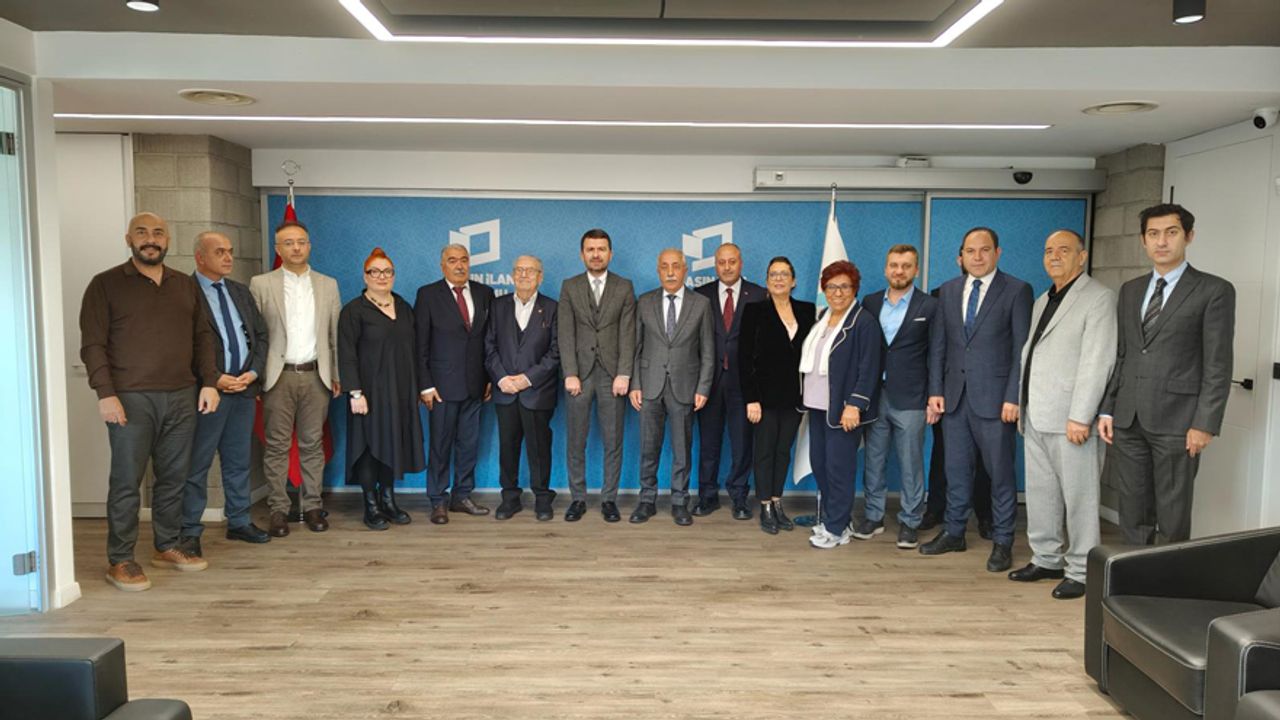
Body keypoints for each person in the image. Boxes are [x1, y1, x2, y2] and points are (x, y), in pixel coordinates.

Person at [80, 212, 220, 591]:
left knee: (173, 477)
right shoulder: (105, 284)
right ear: (129, 239)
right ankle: (121, 559)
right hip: (130, 398)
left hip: (182, 396)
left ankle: (167, 545)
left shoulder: (183, 285)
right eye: (142, 232)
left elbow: (203, 338)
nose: (151, 239)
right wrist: (105, 393)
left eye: (158, 233)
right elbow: (93, 345)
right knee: (127, 481)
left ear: (168, 240)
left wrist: (209, 383)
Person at [1099, 203, 1235, 545]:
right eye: (1153, 234)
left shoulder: (1213, 290)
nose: (1161, 242)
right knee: (1133, 510)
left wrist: (1205, 423)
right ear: (1143, 240)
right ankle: (1135, 572)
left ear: (1188, 236)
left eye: (1171, 233)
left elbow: (1218, 364)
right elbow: (1124, 354)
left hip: (1179, 422)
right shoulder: (1131, 290)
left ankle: (1169, 577)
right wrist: (1108, 409)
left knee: (1173, 514)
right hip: (1128, 419)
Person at [919, 227, 1032, 573]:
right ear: (961, 257)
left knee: (1000, 475)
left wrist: (1014, 396)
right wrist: (935, 391)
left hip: (997, 402)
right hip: (954, 399)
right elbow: (939, 346)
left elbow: (1022, 350)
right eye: (971, 251)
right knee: (955, 471)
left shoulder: (1016, 290)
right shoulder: (949, 290)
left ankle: (1003, 541)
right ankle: (954, 532)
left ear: (998, 253)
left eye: (984, 250)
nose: (978, 257)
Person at [1012, 230, 1116, 599]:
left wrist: (1081, 416)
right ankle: (1047, 558)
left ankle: (1082, 571)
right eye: (1049, 251)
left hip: (1072, 419)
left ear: (1082, 256)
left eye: (1064, 250)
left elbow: (1097, 361)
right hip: (1037, 413)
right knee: (1042, 494)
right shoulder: (1045, 299)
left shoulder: (1098, 298)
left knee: (1080, 498)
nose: (1054, 256)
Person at [179, 231, 271, 558]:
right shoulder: (184, 293)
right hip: (207, 395)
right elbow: (181, 346)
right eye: (219, 252)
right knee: (197, 464)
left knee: (238, 461)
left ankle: (239, 521)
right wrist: (214, 379)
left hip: (243, 391)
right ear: (200, 257)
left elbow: (261, 336)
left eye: (230, 251)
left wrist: (254, 373)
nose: (228, 257)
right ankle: (189, 531)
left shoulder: (239, 292)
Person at [250, 220, 342, 537]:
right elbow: (255, 336)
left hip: (316, 375)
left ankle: (313, 506)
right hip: (278, 376)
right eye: (288, 243)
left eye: (301, 241)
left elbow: (334, 335)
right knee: (276, 445)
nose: (296, 247)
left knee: (312, 444)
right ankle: (278, 509)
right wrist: (256, 377)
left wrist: (336, 374)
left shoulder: (328, 284)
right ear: (278, 248)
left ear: (309, 245)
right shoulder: (261, 284)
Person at [855, 244, 943, 549]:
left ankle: (910, 521)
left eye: (906, 266)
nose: (899, 271)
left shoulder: (929, 306)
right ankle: (873, 516)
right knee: (874, 459)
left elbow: (937, 353)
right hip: (875, 395)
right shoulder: (870, 302)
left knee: (910, 463)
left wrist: (935, 394)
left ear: (916, 270)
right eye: (894, 265)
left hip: (912, 397)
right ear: (886, 269)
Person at [338, 247, 424, 531]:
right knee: (369, 448)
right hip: (368, 394)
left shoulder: (404, 307)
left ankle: (388, 501)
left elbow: (414, 350)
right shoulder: (354, 311)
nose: (381, 276)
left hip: (400, 391)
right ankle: (371, 505)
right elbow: (347, 354)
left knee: (392, 445)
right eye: (375, 272)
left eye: (387, 271)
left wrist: (416, 388)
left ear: (394, 275)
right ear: (365, 276)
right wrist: (355, 392)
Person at [628, 249, 715, 526]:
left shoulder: (701, 304)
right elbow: (635, 347)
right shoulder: (645, 302)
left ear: (685, 270)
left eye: (676, 266)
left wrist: (703, 387)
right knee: (648, 447)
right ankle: (647, 500)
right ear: (658, 270)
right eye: (664, 266)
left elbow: (708, 351)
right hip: (649, 386)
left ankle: (680, 502)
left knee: (682, 449)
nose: (670, 272)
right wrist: (635, 383)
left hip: (685, 387)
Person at [800, 260, 882, 549]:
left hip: (842, 410)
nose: (837, 293)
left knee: (839, 470)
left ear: (854, 289)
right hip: (817, 406)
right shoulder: (823, 317)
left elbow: (869, 368)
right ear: (824, 289)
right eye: (832, 287)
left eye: (844, 287)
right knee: (820, 465)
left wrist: (855, 405)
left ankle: (836, 529)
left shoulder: (864, 322)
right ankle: (837, 520)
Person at [558, 229, 637, 523]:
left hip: (612, 376)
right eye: (590, 249)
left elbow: (629, 333)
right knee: (576, 440)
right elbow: (565, 333)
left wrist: (624, 373)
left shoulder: (624, 287)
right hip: (579, 376)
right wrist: (570, 373)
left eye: (601, 249)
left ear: (610, 254)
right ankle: (578, 498)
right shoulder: (570, 286)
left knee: (613, 441)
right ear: (582, 254)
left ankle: (609, 499)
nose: (596, 254)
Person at [416, 243, 495, 524]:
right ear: (442, 266)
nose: (459, 265)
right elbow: (420, 344)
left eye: (463, 260)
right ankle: (438, 500)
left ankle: (461, 496)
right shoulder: (428, 295)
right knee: (440, 446)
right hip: (441, 388)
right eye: (452, 260)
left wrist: (489, 378)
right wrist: (425, 385)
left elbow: (489, 341)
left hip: (476, 386)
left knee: (468, 445)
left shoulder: (485, 293)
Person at [739, 256, 816, 534]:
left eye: (784, 274)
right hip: (764, 399)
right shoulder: (754, 311)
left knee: (783, 452)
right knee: (764, 452)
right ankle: (765, 506)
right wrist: (751, 399)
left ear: (793, 281)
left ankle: (777, 500)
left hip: (794, 398)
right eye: (774, 274)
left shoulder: (807, 310)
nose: (779, 279)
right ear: (767, 281)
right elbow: (744, 358)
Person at [485, 255, 561, 521]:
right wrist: (502, 378)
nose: (524, 275)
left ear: (540, 276)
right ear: (512, 275)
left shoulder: (552, 308)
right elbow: (488, 346)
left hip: (537, 392)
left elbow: (556, 352)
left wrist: (527, 378)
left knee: (539, 448)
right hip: (505, 391)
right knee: (508, 447)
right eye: (519, 270)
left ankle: (542, 498)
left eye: (530, 270)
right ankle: (510, 498)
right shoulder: (498, 306)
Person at [693, 243, 765, 520]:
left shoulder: (758, 294)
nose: (726, 267)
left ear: (740, 263)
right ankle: (707, 496)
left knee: (742, 444)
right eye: (721, 262)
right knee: (708, 444)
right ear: (715, 265)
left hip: (743, 383)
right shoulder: (701, 295)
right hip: (709, 382)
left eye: (732, 261)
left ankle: (739, 497)